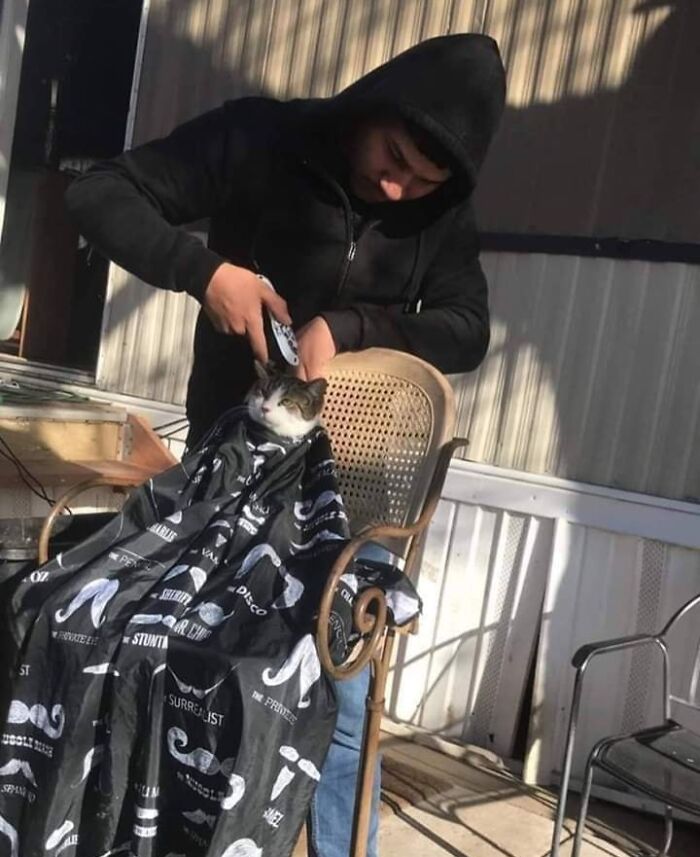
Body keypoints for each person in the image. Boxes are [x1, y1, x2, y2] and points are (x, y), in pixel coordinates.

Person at [66, 32, 505, 857]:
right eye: (394, 154)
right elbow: (98, 197)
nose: (395, 183)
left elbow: (470, 327)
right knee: (158, 655)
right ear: (373, 107)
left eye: (423, 178)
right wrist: (206, 272)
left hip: (356, 496)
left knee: (339, 696)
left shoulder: (440, 216)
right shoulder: (260, 137)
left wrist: (350, 324)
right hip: (223, 469)